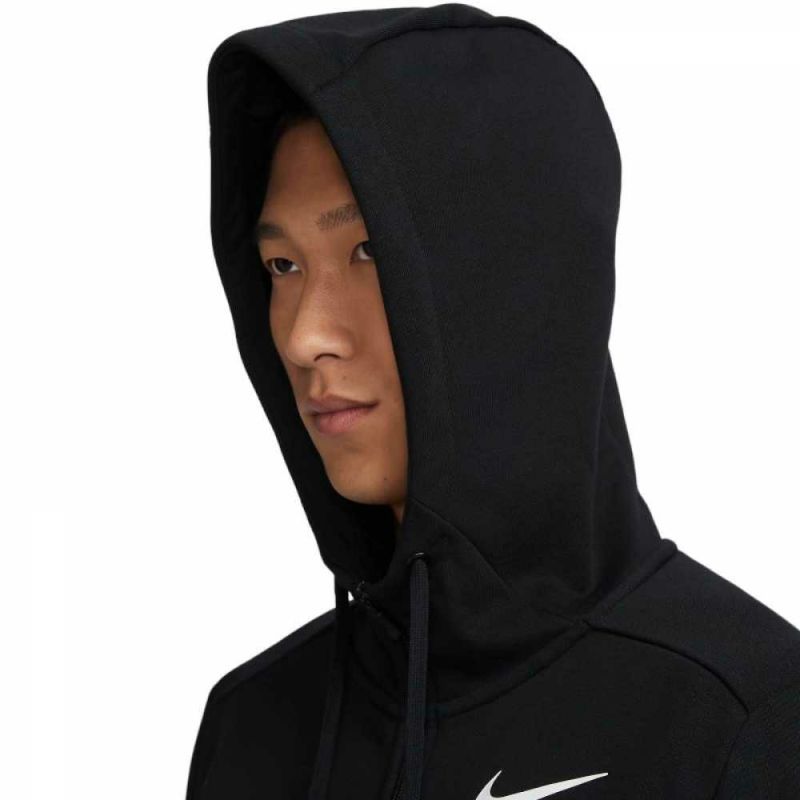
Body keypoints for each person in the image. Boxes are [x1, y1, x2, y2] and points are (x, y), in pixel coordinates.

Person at [187, 5, 800, 799]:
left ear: (512, 279)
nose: (306, 337)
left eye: (368, 250)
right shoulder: (256, 724)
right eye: (282, 267)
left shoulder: (746, 720)